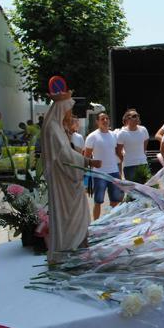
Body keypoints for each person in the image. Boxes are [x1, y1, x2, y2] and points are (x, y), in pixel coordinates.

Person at [41, 91, 101, 263]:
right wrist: (88, 161)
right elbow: (64, 156)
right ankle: (69, 249)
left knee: (77, 213)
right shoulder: (53, 127)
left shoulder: (56, 126)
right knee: (70, 216)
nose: (70, 114)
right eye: (69, 110)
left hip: (66, 181)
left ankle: (77, 246)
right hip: (63, 183)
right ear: (61, 108)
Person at [84, 112, 124, 219]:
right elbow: (86, 157)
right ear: (97, 122)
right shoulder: (92, 136)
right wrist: (86, 178)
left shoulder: (114, 135)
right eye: (102, 119)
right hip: (99, 174)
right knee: (98, 201)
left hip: (114, 172)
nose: (105, 120)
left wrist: (120, 171)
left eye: (107, 118)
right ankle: (96, 224)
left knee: (115, 200)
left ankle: (113, 222)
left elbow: (117, 154)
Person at [116, 109, 149, 182]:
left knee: (146, 190)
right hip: (129, 165)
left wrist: (141, 155)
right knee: (132, 191)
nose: (137, 117)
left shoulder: (143, 130)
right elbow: (118, 151)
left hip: (143, 163)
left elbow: (145, 144)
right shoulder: (122, 133)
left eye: (138, 116)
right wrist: (124, 159)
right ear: (128, 119)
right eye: (134, 116)